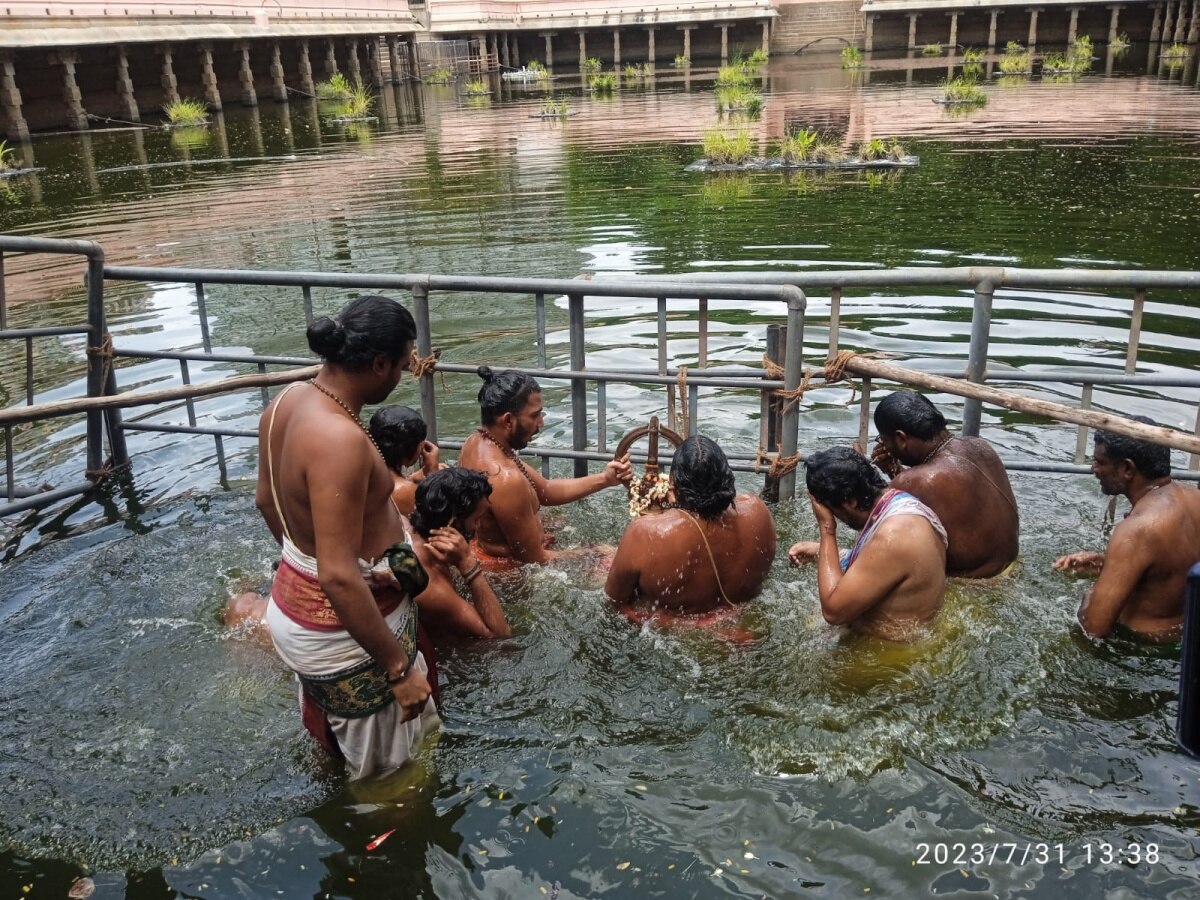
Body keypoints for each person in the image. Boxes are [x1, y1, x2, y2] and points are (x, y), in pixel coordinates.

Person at [254, 294, 438, 780]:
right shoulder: (340, 440)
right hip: (347, 634)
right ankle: (384, 845)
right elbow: (337, 576)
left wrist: (306, 566)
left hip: (299, 604)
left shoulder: (287, 401)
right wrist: (398, 669)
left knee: (339, 747)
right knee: (391, 778)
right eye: (401, 366)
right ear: (378, 364)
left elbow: (266, 502)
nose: (402, 375)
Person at [457, 366, 631, 566]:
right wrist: (596, 555)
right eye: (534, 415)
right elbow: (535, 559)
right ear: (508, 420)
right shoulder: (504, 478)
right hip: (512, 573)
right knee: (618, 562)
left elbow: (545, 490)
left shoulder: (476, 443)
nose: (541, 423)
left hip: (514, 552)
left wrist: (606, 479)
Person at [1053, 420, 1200, 641]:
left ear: (1127, 469)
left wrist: (1091, 593)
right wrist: (1108, 564)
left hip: (1142, 646)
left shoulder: (1136, 530)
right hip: (1186, 636)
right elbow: (1171, 572)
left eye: (1100, 462)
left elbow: (1093, 629)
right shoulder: (1194, 498)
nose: (1094, 469)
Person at [605, 435, 776, 615]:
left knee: (597, 554)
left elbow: (614, 600)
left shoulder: (644, 532)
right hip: (743, 621)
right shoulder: (758, 511)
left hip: (671, 633)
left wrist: (672, 507)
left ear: (672, 485)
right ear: (727, 476)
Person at [789, 446, 947, 641]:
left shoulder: (894, 535)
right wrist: (827, 553)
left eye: (833, 511)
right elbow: (883, 565)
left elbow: (833, 612)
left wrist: (827, 529)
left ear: (851, 503)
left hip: (892, 654)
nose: (835, 518)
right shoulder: (896, 503)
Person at [871, 390, 1019, 578]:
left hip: (971, 586)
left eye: (883, 440)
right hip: (1010, 569)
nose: (885, 447)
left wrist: (858, 474)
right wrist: (894, 470)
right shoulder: (981, 446)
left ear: (901, 438)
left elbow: (870, 524)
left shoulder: (913, 480)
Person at [409, 468, 512, 639]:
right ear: (452, 523)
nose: (478, 526)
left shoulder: (416, 531)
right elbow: (499, 634)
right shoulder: (429, 581)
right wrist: (467, 562)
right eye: (476, 519)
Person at [368, 405, 442, 516]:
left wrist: (412, 477)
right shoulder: (405, 491)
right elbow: (436, 517)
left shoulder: (366, 471)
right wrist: (433, 474)